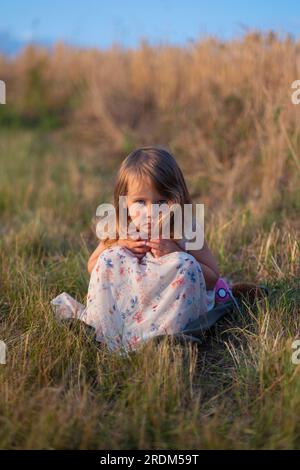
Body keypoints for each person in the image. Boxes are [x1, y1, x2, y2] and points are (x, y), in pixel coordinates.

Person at [51, 146, 221, 353]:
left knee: (186, 264)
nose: (151, 211)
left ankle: (167, 339)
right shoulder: (121, 225)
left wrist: (176, 252)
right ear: (124, 201)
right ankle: (107, 333)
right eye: (140, 201)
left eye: (161, 202)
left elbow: (212, 277)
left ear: (177, 198)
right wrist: (119, 244)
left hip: (168, 310)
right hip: (128, 312)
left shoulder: (184, 227)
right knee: (109, 257)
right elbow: (93, 266)